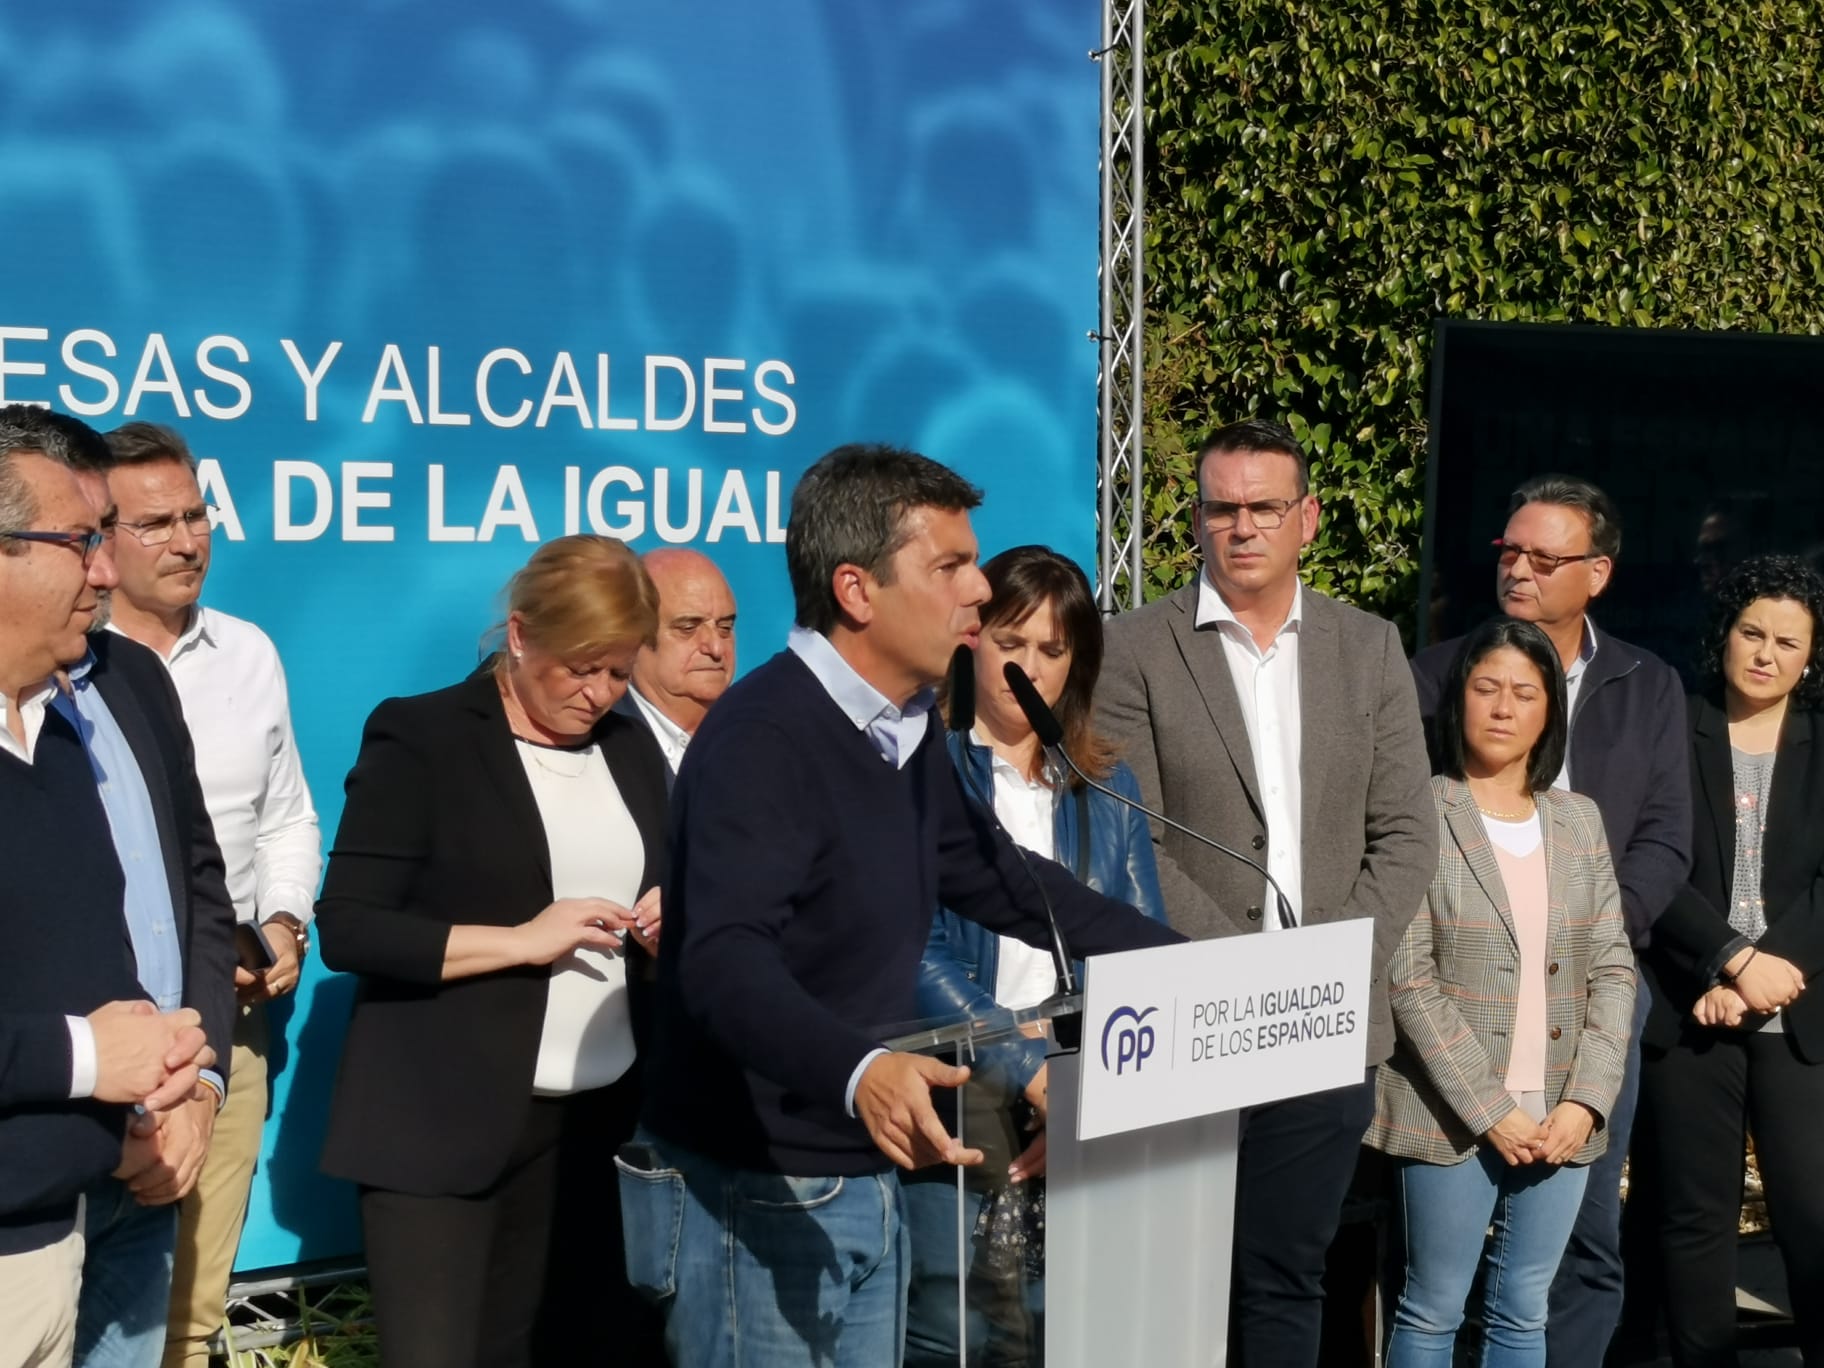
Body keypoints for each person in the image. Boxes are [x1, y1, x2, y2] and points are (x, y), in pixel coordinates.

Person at [618, 444, 1182, 1368]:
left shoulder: (903, 731)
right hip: (760, 1192)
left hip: (861, 1176)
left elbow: (1008, 884)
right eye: (951, 566)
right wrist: (858, 1070)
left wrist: (1198, 968)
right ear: (856, 589)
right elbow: (720, 962)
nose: (977, 593)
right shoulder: (764, 738)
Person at [1097, 417, 1437, 1367]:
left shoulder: (1368, 647)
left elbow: (1407, 834)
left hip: (1328, 1022)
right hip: (1189, 1013)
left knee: (1286, 1274)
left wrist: (1322, 968)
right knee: (1173, 1276)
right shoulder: (1133, 649)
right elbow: (1133, 838)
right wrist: (1252, 970)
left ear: (1308, 519)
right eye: (1222, 508)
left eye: (1265, 507)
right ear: (1197, 521)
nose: (1243, 526)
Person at [315, 535, 670, 1368]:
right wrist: (521, 941)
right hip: (444, 1126)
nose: (598, 692)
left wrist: (669, 913)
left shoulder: (629, 743)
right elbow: (352, 926)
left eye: (618, 671)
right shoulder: (422, 735)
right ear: (519, 635)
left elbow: (668, 869)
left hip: (596, 1127)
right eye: (580, 666)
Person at [1410, 474, 1689, 1368]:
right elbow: (1405, 906)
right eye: (1508, 551)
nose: (1518, 569)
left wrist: (1583, 933)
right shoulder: (1432, 674)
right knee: (1437, 1297)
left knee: (1572, 1255)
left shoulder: (1647, 684)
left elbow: (1665, 839)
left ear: (1597, 572)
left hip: (1596, 999)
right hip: (1459, 1008)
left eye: (1544, 556)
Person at [0, 406, 238, 1368]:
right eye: (81, 542)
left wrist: (195, 1086)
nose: (106, 572)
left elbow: (197, 894)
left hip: (131, 1167)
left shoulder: (98, 700)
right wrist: (89, 1059)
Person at [901, 545, 1169, 1366]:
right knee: (959, 1335)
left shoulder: (1107, 787)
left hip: (1077, 1093)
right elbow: (913, 948)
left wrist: (1084, 1095)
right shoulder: (921, 767)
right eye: (1011, 644)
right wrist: (1024, 1071)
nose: (1031, 668)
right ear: (970, 642)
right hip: (958, 1090)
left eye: (1054, 652)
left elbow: (1140, 952)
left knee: (1064, 1331)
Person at [95, 421, 323, 1368]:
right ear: (95, 535)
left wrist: (281, 921)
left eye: (197, 515)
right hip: (95, 1029)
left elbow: (286, 818)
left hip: (224, 1023)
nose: (189, 540)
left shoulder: (249, 653)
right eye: (157, 523)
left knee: (191, 1313)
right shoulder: (58, 668)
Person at [1369, 616, 1636, 1367]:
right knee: (1432, 1310)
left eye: (1525, 692)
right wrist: (1495, 1113)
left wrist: (1586, 1100)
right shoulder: (1418, 811)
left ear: (1551, 708)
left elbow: (1614, 966)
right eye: (1487, 687)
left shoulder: (1579, 821)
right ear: (1458, 699)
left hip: (1562, 1113)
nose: (1503, 706)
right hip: (1451, 1116)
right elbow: (1407, 978)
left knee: (1524, 1313)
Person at [1637, 553, 1824, 1366]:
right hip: (1694, 1005)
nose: (1765, 654)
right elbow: (1652, 862)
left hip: (1799, 1005)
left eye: (1787, 642)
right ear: (1725, 634)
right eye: (1752, 632)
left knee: (1812, 1210)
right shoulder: (1674, 724)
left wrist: (1761, 972)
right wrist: (1724, 964)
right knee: (1691, 1215)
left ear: (1810, 656)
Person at [616, 547, 738, 781]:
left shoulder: (762, 732)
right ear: (633, 636)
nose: (715, 648)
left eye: (725, 628)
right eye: (688, 628)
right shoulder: (595, 740)